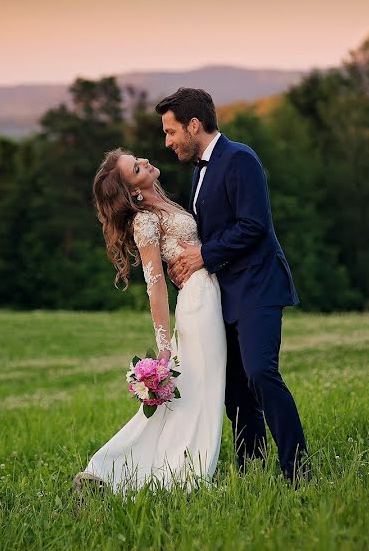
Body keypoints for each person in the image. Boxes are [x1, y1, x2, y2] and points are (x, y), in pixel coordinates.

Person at [157, 87, 310, 485]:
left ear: (194, 125)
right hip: (223, 295)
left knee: (261, 374)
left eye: (171, 132)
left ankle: (298, 470)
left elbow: (253, 225)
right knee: (236, 391)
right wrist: (188, 263)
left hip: (258, 286)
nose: (168, 141)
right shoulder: (197, 174)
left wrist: (203, 255)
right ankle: (251, 469)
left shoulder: (240, 158)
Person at [75, 148, 226, 493]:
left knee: (201, 388)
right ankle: (174, 475)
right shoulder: (144, 220)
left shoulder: (165, 204)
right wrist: (162, 346)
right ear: (133, 191)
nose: (145, 162)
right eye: (136, 168)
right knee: (200, 391)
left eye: (138, 160)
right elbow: (156, 285)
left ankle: (163, 467)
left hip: (210, 292)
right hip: (198, 301)